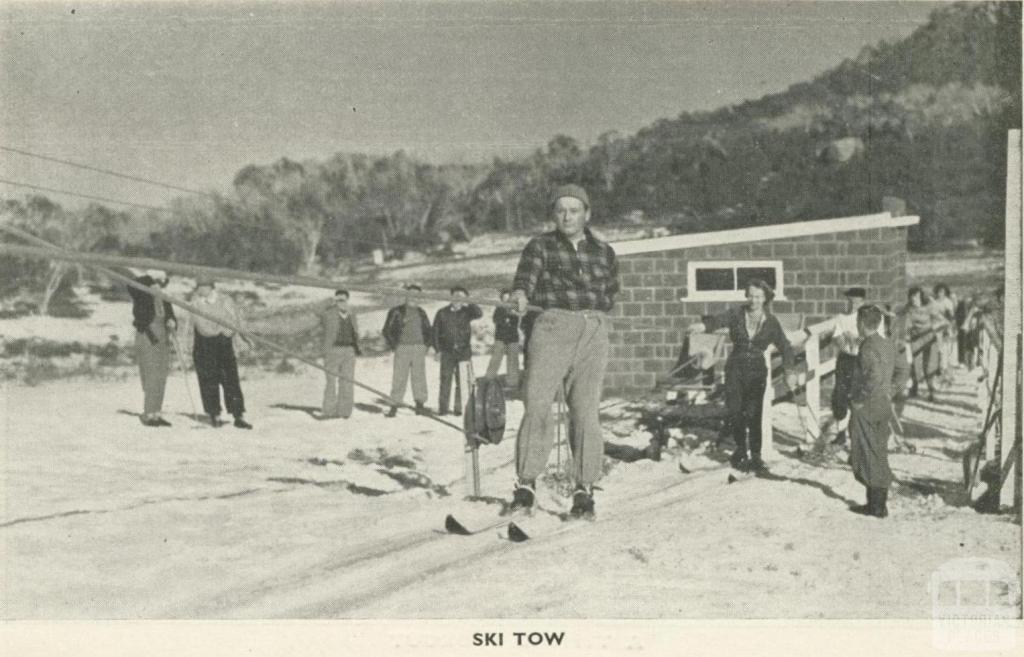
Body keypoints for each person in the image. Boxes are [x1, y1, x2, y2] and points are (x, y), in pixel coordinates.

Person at [506, 184, 619, 519]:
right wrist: (521, 295)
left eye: (574, 210)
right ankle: (526, 486)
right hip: (553, 327)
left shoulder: (603, 251)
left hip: (593, 331)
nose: (567, 216)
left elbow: (611, 292)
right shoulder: (540, 246)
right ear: (554, 215)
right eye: (561, 210)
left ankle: (584, 490)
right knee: (538, 405)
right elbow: (525, 279)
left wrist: (593, 315)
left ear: (587, 213)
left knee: (586, 412)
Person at [688, 279, 797, 473]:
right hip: (736, 368)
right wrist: (703, 327)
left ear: (765, 298)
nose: (754, 300)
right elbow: (717, 321)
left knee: (754, 414)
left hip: (756, 371)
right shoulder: (737, 314)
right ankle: (740, 450)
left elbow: (786, 347)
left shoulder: (771, 322)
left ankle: (756, 456)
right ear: (746, 296)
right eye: (751, 295)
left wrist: (789, 371)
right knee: (735, 411)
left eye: (758, 296)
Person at [848, 305, 910, 518]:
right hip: (883, 404)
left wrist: (859, 399)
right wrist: (890, 391)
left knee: (866, 452)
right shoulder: (888, 344)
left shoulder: (867, 347)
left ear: (861, 323)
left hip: (867, 406)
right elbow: (903, 370)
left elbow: (873, 376)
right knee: (879, 452)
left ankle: (875, 506)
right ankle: (877, 504)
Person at [187, 277, 253, 429]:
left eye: (202, 286)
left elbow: (236, 320)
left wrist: (242, 337)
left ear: (210, 286)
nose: (199, 290)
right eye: (198, 286)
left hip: (223, 344)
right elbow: (197, 327)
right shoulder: (195, 302)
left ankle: (238, 415)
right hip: (203, 345)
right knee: (208, 379)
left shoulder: (224, 300)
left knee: (230, 379)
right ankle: (214, 414)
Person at [821, 287, 882, 447]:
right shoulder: (842, 317)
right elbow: (838, 337)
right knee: (840, 397)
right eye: (850, 301)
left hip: (864, 360)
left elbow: (875, 338)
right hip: (846, 360)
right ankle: (841, 434)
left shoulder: (871, 316)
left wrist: (856, 339)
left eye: (856, 301)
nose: (853, 304)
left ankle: (858, 440)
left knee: (859, 400)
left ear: (862, 301)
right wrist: (847, 344)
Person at [127, 269, 177, 427]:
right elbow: (132, 286)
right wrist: (150, 278)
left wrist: (172, 321)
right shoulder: (142, 294)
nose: (160, 285)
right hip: (148, 336)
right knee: (151, 374)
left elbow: (170, 314)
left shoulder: (163, 296)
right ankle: (148, 413)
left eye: (161, 283)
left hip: (162, 336)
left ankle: (156, 412)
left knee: (161, 375)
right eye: (158, 282)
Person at [382, 283, 433, 417]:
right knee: (399, 377)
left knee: (419, 377)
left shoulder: (421, 312)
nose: (413, 298)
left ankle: (420, 405)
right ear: (406, 296)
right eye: (411, 295)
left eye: (416, 295)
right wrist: (395, 345)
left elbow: (428, 330)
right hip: (402, 348)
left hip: (418, 348)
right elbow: (387, 330)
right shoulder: (396, 311)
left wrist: (426, 345)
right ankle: (394, 406)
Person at [432, 286, 482, 416]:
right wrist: (437, 350)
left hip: (463, 351)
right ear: (450, 297)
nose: (457, 299)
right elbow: (435, 332)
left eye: (461, 297)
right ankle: (443, 409)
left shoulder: (467, 312)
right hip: (447, 351)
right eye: (455, 296)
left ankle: (458, 409)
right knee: (445, 380)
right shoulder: (442, 312)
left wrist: (469, 301)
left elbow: (478, 313)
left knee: (462, 381)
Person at [320, 289, 361, 419]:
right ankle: (329, 411)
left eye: (342, 300)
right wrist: (328, 304)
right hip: (333, 350)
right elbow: (317, 313)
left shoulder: (352, 314)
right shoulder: (328, 314)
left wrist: (356, 347)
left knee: (347, 381)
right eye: (337, 300)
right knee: (331, 382)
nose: (340, 303)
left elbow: (355, 332)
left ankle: (345, 411)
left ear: (347, 300)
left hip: (349, 350)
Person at [903, 286, 938, 402]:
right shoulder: (909, 310)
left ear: (921, 297)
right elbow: (907, 326)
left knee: (929, 366)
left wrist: (936, 329)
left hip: (930, 338)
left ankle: (931, 391)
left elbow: (938, 319)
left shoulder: (929, 307)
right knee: (915, 365)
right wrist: (907, 337)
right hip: (916, 339)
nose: (914, 299)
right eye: (912, 296)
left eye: (917, 296)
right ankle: (915, 387)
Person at [485, 289, 521, 388]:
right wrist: (505, 319)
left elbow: (516, 320)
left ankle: (512, 382)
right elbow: (496, 320)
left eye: (508, 298)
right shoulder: (499, 309)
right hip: (500, 337)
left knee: (513, 360)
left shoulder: (515, 308)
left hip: (512, 337)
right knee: (496, 358)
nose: (506, 301)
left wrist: (511, 315)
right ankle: (489, 379)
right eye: (504, 299)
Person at [932, 283, 956, 384]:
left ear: (945, 292)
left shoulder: (948, 302)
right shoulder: (934, 302)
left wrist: (949, 328)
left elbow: (951, 317)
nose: (940, 294)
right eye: (938, 292)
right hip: (936, 329)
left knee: (947, 352)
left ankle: (948, 376)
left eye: (942, 292)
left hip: (946, 328)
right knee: (939, 351)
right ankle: (940, 373)